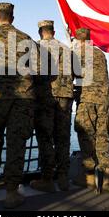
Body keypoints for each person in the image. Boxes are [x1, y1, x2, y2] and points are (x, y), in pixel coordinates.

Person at [0, 2, 37, 209]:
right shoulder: (27, 38)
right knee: (16, 144)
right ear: (12, 17)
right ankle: (12, 193)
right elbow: (36, 67)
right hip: (24, 98)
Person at [30, 20, 74, 193]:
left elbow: (33, 72)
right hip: (65, 96)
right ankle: (63, 178)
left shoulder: (37, 47)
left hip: (45, 96)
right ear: (53, 31)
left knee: (45, 136)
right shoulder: (67, 49)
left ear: (41, 31)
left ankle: (47, 178)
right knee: (63, 138)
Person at [72, 28, 109, 193]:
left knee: (86, 137)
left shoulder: (76, 54)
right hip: (104, 100)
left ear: (77, 40)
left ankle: (89, 178)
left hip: (87, 100)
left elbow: (70, 76)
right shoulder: (100, 54)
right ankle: (108, 178)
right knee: (103, 136)